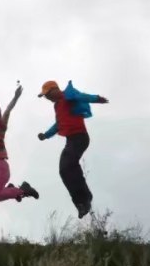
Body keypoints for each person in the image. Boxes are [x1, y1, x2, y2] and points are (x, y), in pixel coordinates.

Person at [37, 80, 108, 219]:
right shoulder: (57, 106)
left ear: (55, 90)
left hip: (80, 137)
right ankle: (81, 203)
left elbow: (83, 96)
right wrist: (46, 135)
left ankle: (85, 198)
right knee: (64, 170)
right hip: (71, 140)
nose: (47, 98)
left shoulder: (68, 95)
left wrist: (97, 99)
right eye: (45, 97)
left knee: (69, 165)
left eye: (48, 95)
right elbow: (59, 124)